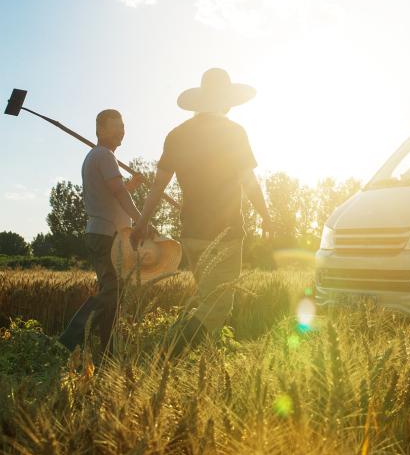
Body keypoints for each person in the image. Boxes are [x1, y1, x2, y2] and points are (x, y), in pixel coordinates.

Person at [137, 68, 272, 354]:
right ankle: (168, 351)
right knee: (217, 305)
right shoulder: (233, 132)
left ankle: (201, 362)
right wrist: (266, 216)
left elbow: (157, 186)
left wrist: (142, 221)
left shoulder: (176, 135)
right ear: (225, 101)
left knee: (203, 300)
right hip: (225, 234)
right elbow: (249, 182)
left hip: (192, 234)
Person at [58, 109, 144, 351]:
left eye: (123, 126)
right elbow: (118, 193)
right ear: (99, 130)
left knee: (113, 294)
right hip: (106, 236)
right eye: (115, 126)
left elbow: (114, 195)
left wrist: (131, 186)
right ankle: (70, 339)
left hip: (106, 234)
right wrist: (141, 219)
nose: (121, 131)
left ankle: (107, 347)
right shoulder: (104, 155)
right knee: (112, 290)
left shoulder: (98, 156)